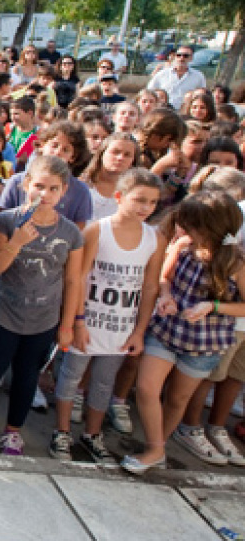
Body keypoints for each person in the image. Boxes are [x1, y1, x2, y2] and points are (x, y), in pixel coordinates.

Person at [0, 155, 85, 455]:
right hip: (2, 312)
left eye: (53, 189)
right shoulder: (5, 220)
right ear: (25, 185)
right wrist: (16, 242)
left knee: (27, 376)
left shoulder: (71, 233)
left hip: (43, 318)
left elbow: (73, 281)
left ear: (64, 192)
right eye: (39, 186)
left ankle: (13, 431)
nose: (44, 195)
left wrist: (68, 324)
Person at [122, 191, 245, 474]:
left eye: (189, 223)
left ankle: (158, 445)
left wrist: (213, 306)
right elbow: (164, 277)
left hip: (205, 343)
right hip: (168, 330)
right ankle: (155, 448)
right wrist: (165, 296)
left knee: (177, 398)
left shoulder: (236, 262)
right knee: (146, 388)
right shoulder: (183, 246)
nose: (182, 227)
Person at [50, 169, 163, 465]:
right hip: (87, 323)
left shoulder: (154, 238)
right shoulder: (97, 230)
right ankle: (61, 432)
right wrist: (78, 320)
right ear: (119, 197)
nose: (145, 208)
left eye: (152, 203)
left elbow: (150, 287)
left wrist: (139, 331)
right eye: (139, 200)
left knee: (104, 382)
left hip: (121, 328)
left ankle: (92, 433)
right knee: (71, 377)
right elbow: (79, 277)